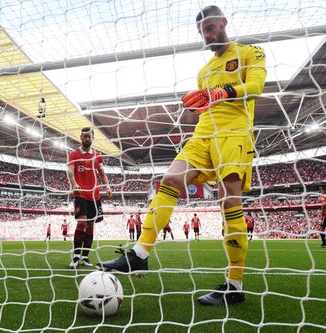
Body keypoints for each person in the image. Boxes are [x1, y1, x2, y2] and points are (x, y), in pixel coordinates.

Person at [97, 5, 266, 306]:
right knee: (170, 179)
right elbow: (206, 103)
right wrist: (199, 105)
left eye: (210, 27)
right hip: (203, 134)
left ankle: (235, 284)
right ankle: (140, 253)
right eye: (202, 30)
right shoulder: (203, 72)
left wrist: (223, 93)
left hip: (234, 132)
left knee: (229, 202)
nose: (206, 34)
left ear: (223, 22)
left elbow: (256, 87)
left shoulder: (250, 52)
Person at [68, 127, 112, 268]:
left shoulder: (98, 156)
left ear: (93, 138)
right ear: (81, 137)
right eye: (85, 136)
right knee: (81, 222)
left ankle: (85, 257)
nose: (87, 139)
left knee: (91, 225)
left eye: (89, 136)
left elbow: (102, 173)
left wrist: (107, 186)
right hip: (80, 193)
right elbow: (70, 171)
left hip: (95, 195)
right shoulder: (74, 154)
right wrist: (74, 184)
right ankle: (75, 257)